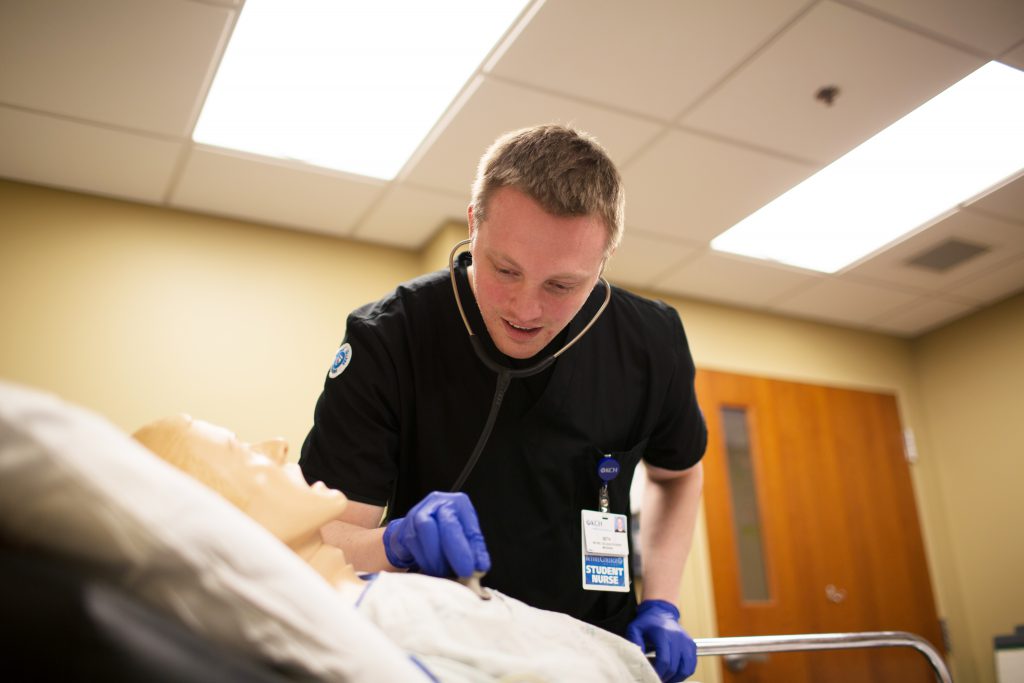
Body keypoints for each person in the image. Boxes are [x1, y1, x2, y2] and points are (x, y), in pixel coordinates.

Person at [300, 124, 707, 682]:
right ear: (473, 224)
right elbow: (324, 541)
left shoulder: (649, 343)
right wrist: (393, 542)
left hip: (592, 648)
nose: (525, 309)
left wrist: (662, 602)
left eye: (562, 286)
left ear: (603, 262)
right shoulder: (392, 339)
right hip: (441, 650)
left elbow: (678, 474)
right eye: (504, 270)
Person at [133, 414, 662, 682]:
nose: (277, 447)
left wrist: (660, 608)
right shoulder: (368, 631)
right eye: (240, 451)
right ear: (219, 524)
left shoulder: (377, 595)